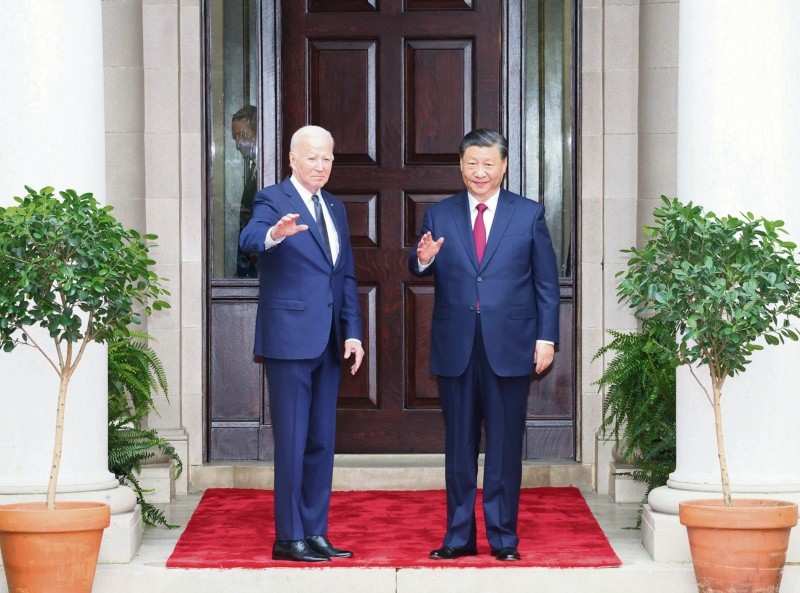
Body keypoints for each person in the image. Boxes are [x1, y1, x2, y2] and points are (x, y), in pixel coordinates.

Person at [409, 128, 560, 562]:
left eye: (488, 163)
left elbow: (546, 284)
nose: (480, 172)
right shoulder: (439, 215)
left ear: (504, 166)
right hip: (456, 346)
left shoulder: (528, 214)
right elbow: (418, 264)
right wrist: (422, 259)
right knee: (458, 448)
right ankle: (458, 536)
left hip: (510, 346)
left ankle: (503, 538)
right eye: (472, 163)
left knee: (505, 447)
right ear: (460, 165)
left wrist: (546, 338)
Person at [239, 125, 364, 562]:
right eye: (312, 157)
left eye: (327, 158)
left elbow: (345, 276)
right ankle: (288, 537)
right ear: (292, 158)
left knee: (320, 442)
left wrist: (353, 331)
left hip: (329, 341)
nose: (321, 165)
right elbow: (249, 238)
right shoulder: (272, 199)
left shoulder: (335, 207)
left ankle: (315, 531)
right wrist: (275, 234)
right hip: (290, 339)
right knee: (292, 441)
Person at [232, 105, 259, 278]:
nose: (237, 144)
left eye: (242, 135)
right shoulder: (253, 168)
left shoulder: (268, 172)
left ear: (258, 132)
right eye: (235, 137)